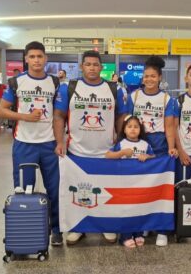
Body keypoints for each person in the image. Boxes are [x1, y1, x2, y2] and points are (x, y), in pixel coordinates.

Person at [53, 50, 128, 245]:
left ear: (101, 67)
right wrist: (60, 142)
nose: (92, 68)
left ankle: (107, 226)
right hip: (77, 151)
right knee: (79, 191)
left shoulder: (114, 89)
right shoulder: (68, 88)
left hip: (107, 151)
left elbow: (121, 116)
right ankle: (79, 227)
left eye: (96, 64)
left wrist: (120, 139)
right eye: (88, 64)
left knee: (106, 191)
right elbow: (59, 116)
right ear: (81, 66)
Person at [0, 41, 63, 246]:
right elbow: (1, 111)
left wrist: (61, 141)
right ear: (26, 59)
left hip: (49, 144)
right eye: (32, 56)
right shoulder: (16, 82)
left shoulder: (54, 82)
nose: (36, 60)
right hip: (24, 144)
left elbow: (59, 115)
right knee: (24, 188)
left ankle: (56, 230)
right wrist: (24, 116)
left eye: (40, 56)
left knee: (55, 189)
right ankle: (26, 229)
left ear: (46, 59)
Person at [127, 55, 178, 247]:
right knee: (141, 186)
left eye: (153, 76)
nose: (149, 79)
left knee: (161, 188)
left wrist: (172, 147)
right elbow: (127, 121)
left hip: (159, 144)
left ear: (159, 78)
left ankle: (162, 230)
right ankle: (144, 224)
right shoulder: (134, 96)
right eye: (146, 76)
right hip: (138, 142)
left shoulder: (167, 99)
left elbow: (170, 127)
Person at [105, 115, 155, 248]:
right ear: (124, 129)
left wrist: (147, 157)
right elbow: (108, 155)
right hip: (124, 185)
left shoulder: (145, 145)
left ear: (140, 129)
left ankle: (138, 233)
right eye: (130, 126)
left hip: (140, 184)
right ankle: (125, 236)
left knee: (139, 208)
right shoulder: (121, 144)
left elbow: (155, 158)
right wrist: (121, 153)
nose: (133, 129)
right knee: (126, 210)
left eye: (136, 127)